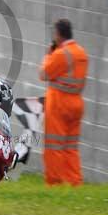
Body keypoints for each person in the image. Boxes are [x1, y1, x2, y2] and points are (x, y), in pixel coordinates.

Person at [39, 19, 88, 186]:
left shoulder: (61, 54)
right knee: (71, 146)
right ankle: (75, 182)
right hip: (77, 103)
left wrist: (48, 54)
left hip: (59, 103)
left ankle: (54, 183)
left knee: (53, 146)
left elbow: (44, 74)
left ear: (58, 34)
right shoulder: (81, 52)